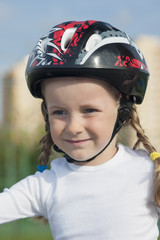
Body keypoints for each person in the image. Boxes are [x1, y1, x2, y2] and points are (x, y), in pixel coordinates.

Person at [0, 20, 160, 239]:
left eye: (89, 110)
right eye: (59, 112)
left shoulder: (148, 172)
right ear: (46, 113)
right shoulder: (47, 185)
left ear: (123, 111)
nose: (74, 127)